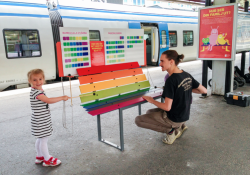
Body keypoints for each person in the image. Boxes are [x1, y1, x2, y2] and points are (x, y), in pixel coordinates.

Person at [135, 50, 207, 144]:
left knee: (138, 120)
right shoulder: (186, 74)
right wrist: (182, 89)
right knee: (149, 112)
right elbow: (204, 90)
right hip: (184, 116)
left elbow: (167, 107)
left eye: (162, 61)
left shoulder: (171, 80)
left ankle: (171, 131)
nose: (160, 64)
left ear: (171, 61)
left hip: (174, 118)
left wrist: (152, 100)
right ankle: (177, 127)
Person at [27, 69, 69, 166]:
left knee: (40, 138)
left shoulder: (36, 90)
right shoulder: (37, 93)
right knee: (44, 139)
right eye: (34, 80)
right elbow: (48, 100)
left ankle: (39, 156)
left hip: (39, 120)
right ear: (29, 81)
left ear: (44, 79)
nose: (38, 82)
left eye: (40, 79)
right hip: (41, 121)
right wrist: (62, 97)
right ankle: (47, 159)